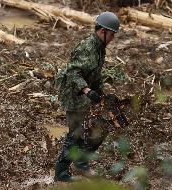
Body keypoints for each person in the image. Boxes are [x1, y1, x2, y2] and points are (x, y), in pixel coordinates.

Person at [54, 11, 120, 182]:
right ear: (102, 31)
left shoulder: (100, 48)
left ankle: (82, 163)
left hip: (87, 95)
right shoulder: (87, 48)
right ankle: (61, 173)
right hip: (74, 96)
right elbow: (73, 72)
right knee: (75, 134)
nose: (113, 38)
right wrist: (87, 90)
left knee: (101, 128)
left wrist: (103, 96)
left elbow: (95, 75)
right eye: (111, 35)